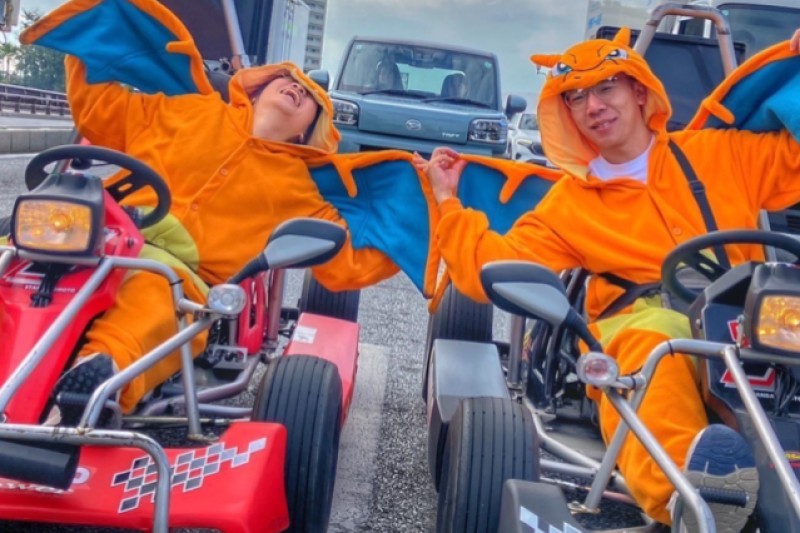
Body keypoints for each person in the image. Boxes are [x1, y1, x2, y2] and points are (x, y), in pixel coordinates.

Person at [416, 28, 800, 533]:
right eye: (576, 98)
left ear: (639, 91)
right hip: (643, 326)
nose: (593, 106)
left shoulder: (722, 152)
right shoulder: (569, 203)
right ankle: (693, 500)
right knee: (660, 346)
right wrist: (447, 202)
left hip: (751, 322)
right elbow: (487, 267)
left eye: (605, 88)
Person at [16, 5, 401, 426]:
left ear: (309, 129)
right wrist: (87, 44)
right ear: (256, 90)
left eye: (308, 94)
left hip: (177, 275)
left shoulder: (302, 186)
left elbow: (349, 262)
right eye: (287, 79)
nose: (296, 87)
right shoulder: (189, 110)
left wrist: (431, 202)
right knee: (16, 269)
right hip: (101, 236)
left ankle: (96, 381)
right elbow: (99, 107)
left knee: (151, 301)